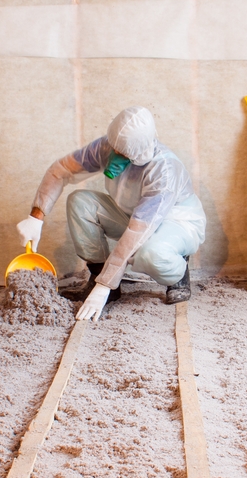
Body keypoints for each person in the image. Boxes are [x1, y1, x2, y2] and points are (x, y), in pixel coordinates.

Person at [16, 106, 206, 321]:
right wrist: (36, 217)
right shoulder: (107, 146)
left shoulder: (163, 170)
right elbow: (60, 170)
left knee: (152, 254)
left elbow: (138, 229)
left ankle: (178, 271)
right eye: (114, 148)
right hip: (131, 213)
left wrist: (105, 284)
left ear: (138, 151)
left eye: (122, 153)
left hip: (176, 223)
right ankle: (99, 276)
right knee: (80, 201)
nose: (114, 155)